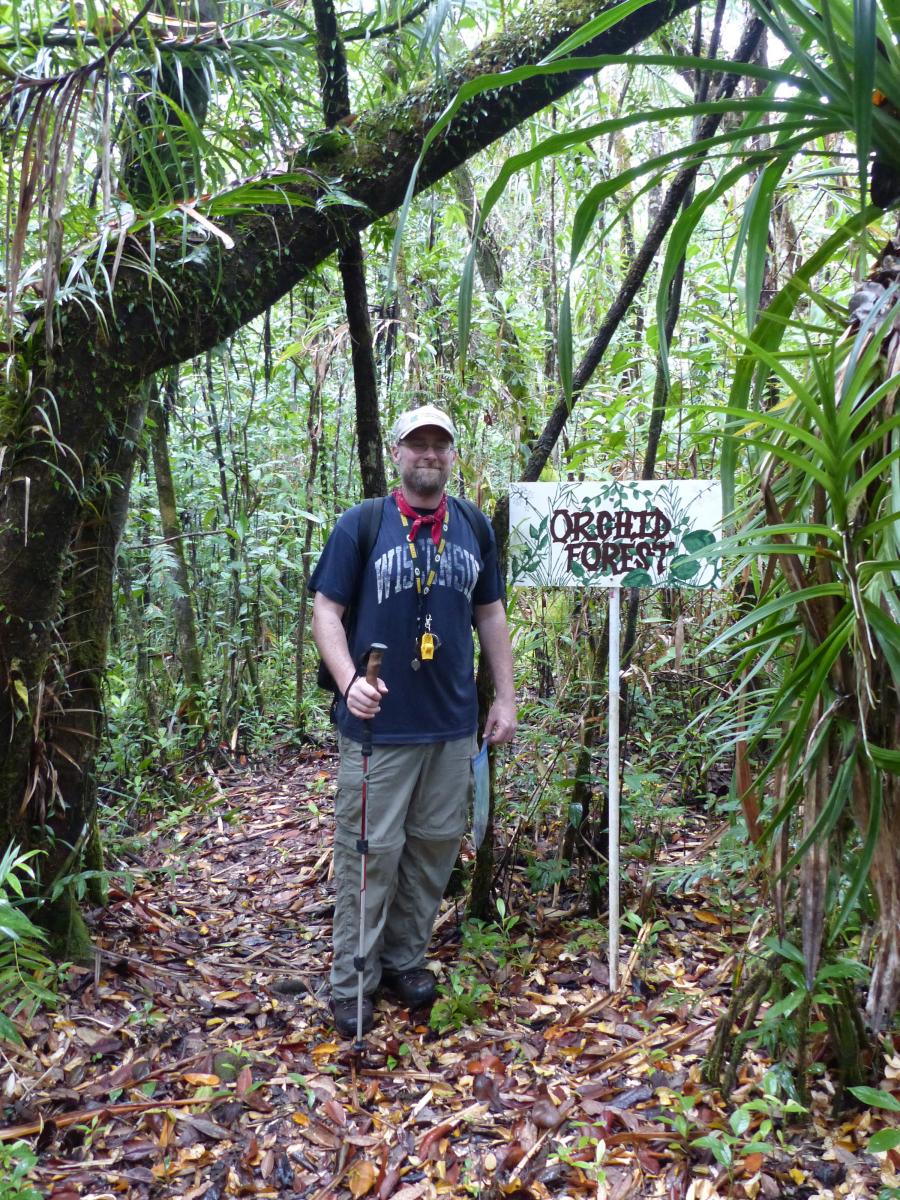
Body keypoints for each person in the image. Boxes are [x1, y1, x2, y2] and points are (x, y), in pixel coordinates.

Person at [309, 404, 516, 1036]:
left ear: (453, 455)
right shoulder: (362, 525)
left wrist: (503, 697)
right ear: (397, 452)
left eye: (440, 445)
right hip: (380, 731)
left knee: (430, 853)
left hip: (451, 727)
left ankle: (403, 959)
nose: (429, 454)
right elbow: (325, 610)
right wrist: (348, 684)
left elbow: (491, 616)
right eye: (417, 444)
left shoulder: (473, 526)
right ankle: (354, 981)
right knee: (370, 854)